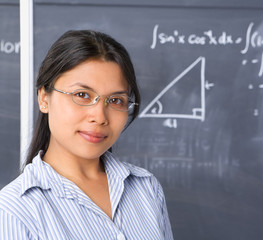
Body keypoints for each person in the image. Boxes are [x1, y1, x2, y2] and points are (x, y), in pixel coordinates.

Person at [0, 30, 173, 240]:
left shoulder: (146, 188)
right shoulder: (13, 211)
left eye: (116, 100)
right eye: (82, 95)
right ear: (44, 98)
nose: (99, 117)